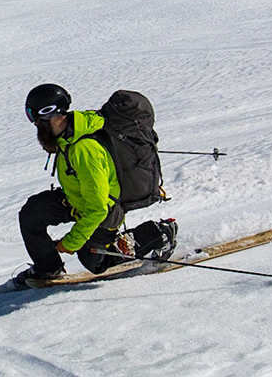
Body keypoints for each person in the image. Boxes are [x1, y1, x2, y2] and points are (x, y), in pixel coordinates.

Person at [15, 83, 172, 284]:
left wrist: (71, 242)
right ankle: (48, 269)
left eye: (32, 115)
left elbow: (98, 208)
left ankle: (158, 234)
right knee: (32, 214)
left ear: (48, 113)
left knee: (94, 262)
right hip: (78, 200)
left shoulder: (84, 149)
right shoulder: (67, 137)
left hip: (105, 210)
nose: (33, 123)